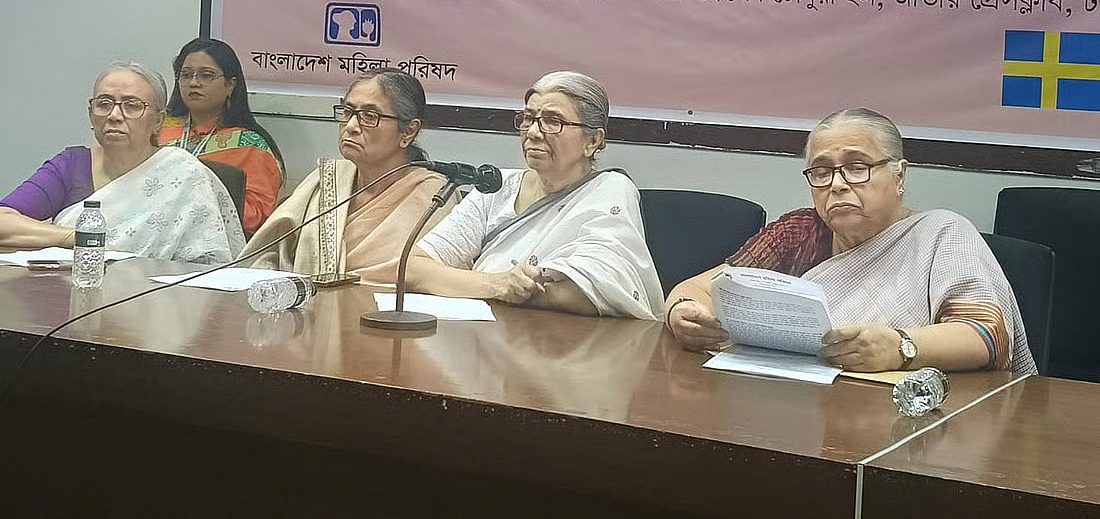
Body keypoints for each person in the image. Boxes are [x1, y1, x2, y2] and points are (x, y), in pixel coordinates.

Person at [666, 108, 1036, 374]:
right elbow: (697, 288)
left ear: (899, 175)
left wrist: (900, 348)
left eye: (857, 167)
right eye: (822, 171)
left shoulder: (941, 234)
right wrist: (681, 313)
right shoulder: (800, 231)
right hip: (795, 407)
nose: (837, 185)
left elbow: (988, 336)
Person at [407, 70, 664, 320]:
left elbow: (591, 290)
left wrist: (515, 290)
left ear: (593, 141)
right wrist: (496, 285)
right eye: (528, 118)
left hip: (567, 346)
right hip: (487, 337)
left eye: (553, 121)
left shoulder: (609, 190)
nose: (532, 132)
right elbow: (412, 268)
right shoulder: (495, 186)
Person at [0, 61, 244, 264]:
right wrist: (81, 238)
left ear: (158, 121)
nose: (115, 115)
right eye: (104, 104)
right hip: (70, 299)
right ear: (91, 114)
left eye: (132, 105)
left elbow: (210, 261)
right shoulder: (72, 164)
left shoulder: (184, 174)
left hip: (161, 306)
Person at [241, 69, 454, 283]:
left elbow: (434, 277)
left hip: (383, 314)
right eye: (347, 112)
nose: (351, 126)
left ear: (408, 131)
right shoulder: (325, 180)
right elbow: (268, 255)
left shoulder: (434, 196)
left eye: (370, 116)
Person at [158, 38, 285, 235]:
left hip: (218, 244)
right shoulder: (156, 130)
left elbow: (259, 217)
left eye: (206, 75)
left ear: (230, 85)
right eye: (186, 75)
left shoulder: (250, 145)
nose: (193, 83)